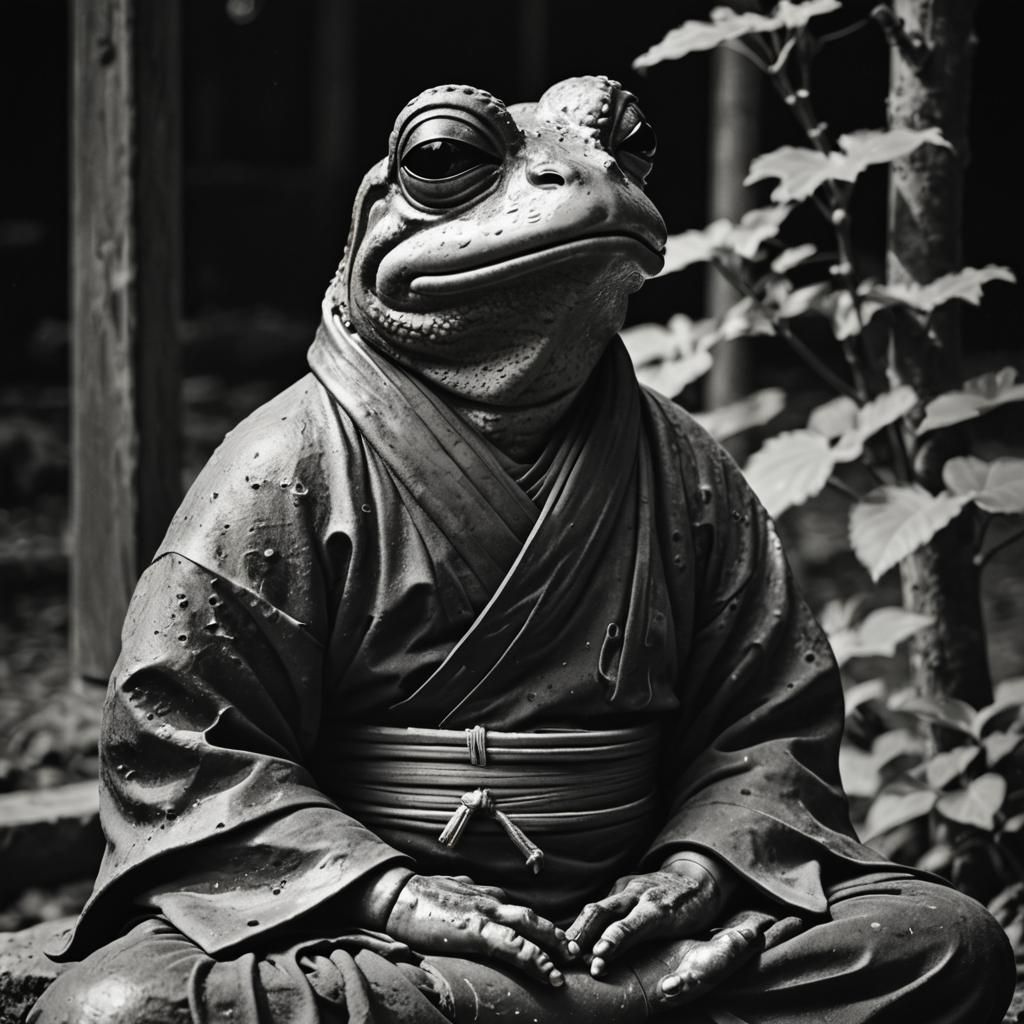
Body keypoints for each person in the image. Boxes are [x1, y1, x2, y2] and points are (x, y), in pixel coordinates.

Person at [32, 76, 1014, 1024]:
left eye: (625, 148)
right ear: (371, 225)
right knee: (115, 1007)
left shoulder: (686, 469)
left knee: (942, 938)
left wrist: (696, 869)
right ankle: (626, 1009)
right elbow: (182, 741)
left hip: (627, 912)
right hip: (371, 929)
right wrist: (389, 894)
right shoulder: (283, 462)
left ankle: (574, 999)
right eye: (450, 157)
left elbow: (763, 725)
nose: (577, 178)